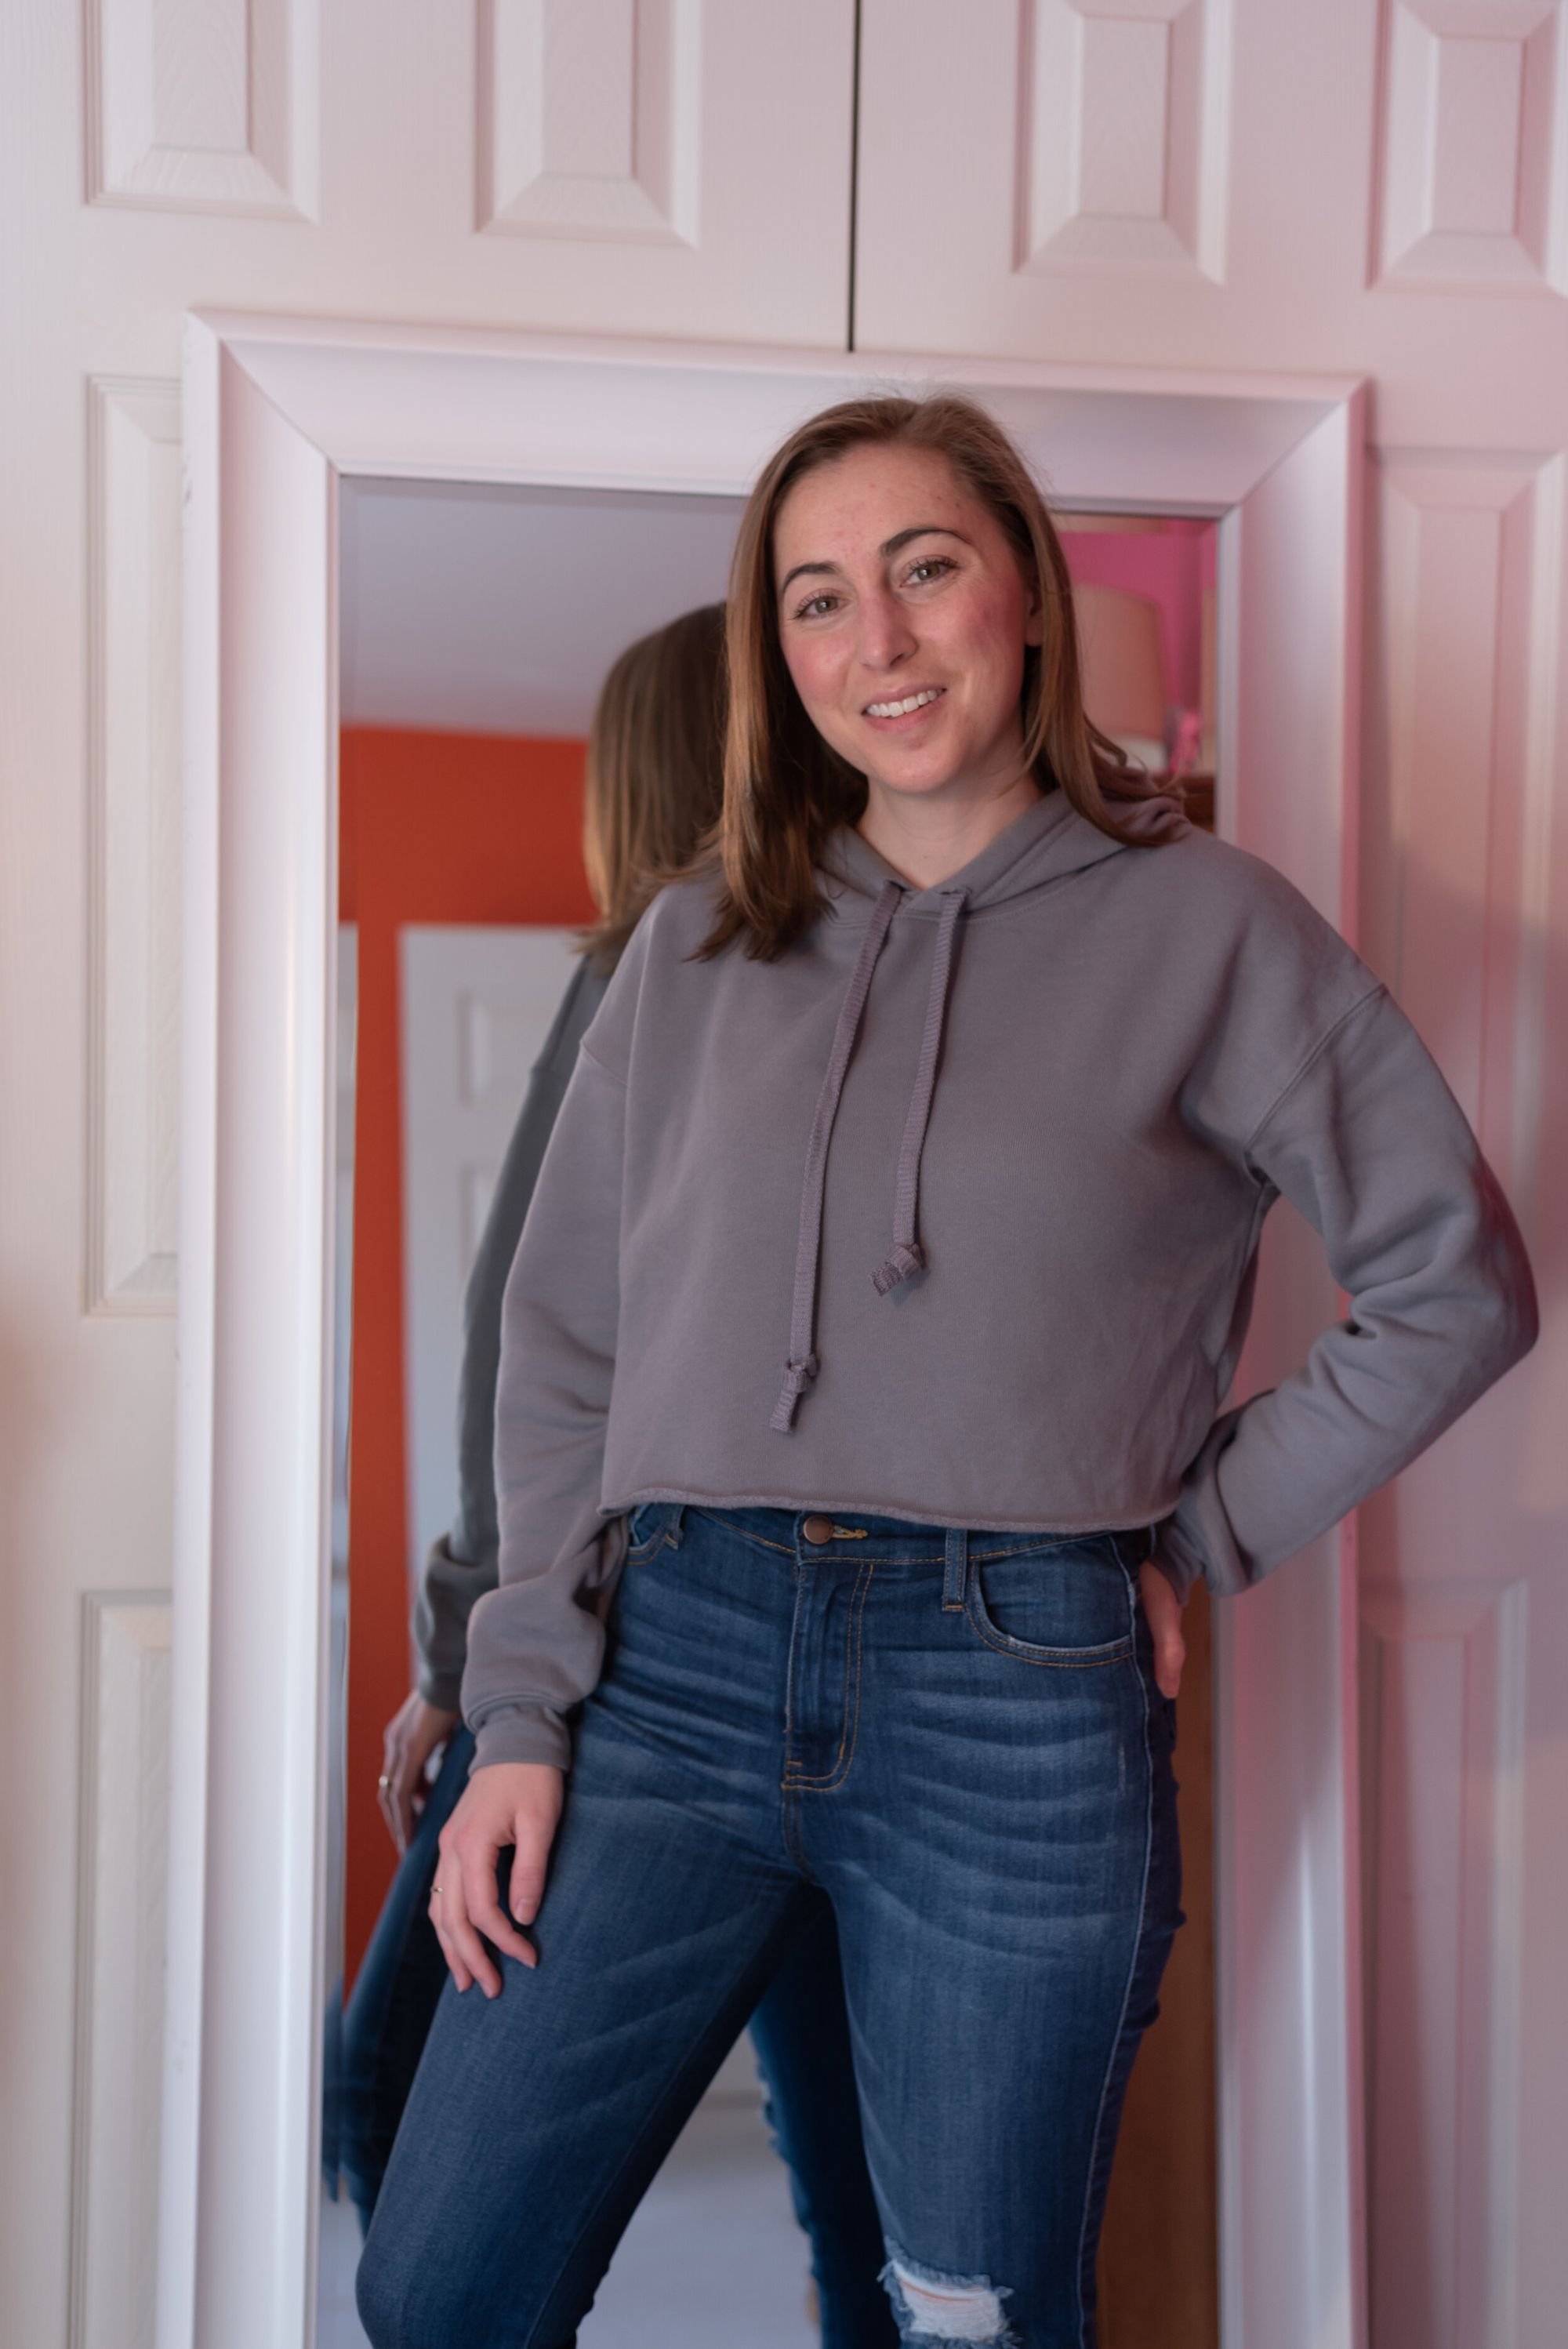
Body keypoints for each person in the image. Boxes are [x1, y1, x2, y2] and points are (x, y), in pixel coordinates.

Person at [357, 395, 1537, 2349]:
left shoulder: (1213, 926)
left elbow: (1455, 1281)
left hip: (1015, 1690)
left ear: (1030, 597)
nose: (877, 640)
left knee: (971, 2318)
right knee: (439, 2283)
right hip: (668, 1659)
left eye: (924, 569)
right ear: (778, 651)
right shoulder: (690, 944)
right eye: (818, 597)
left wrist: (1194, 1531)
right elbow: (564, 1348)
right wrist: (521, 1709)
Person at [343, 604, 896, 2344]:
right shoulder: (852, 980)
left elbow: (524, 1349)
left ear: (634, 776)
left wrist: (468, 1661)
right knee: (860, 2187)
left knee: (394, 2102)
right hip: (850, 1649)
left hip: (624, 1654)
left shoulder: (645, 975)